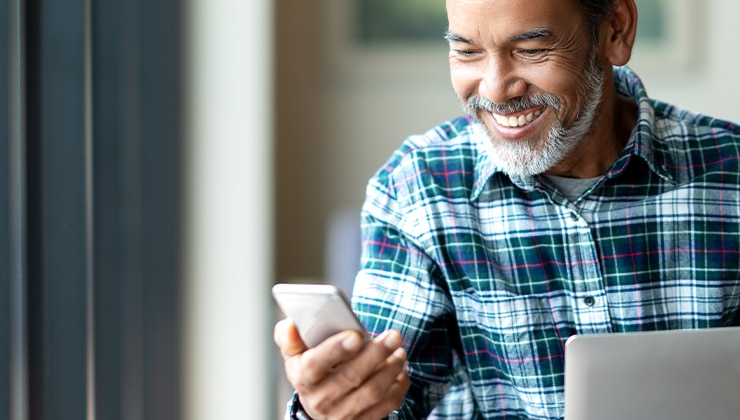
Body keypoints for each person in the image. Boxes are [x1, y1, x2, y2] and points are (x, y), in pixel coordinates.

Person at [274, 0, 740, 418]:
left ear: (615, 30)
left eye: (531, 50)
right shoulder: (417, 189)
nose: (496, 90)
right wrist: (335, 405)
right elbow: (392, 401)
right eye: (467, 51)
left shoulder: (731, 172)